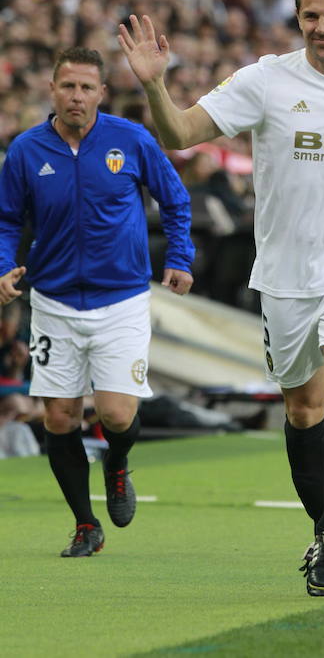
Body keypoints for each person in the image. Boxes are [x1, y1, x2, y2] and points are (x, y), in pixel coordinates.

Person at [118, 0, 324, 597]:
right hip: (285, 272)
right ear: (298, 18)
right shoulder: (264, 80)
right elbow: (180, 134)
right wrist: (156, 87)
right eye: (311, 16)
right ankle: (321, 532)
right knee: (303, 408)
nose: (322, 27)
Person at [0, 47, 195, 557]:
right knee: (59, 418)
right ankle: (86, 525)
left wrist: (180, 256)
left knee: (116, 413)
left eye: (87, 87)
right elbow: (5, 220)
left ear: (102, 93)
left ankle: (117, 463)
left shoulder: (129, 139)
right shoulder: (25, 150)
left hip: (123, 298)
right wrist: (4, 265)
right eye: (68, 86)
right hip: (54, 301)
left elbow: (174, 198)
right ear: (53, 90)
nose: (77, 96)